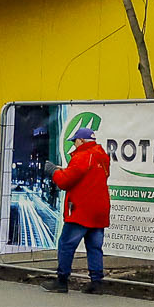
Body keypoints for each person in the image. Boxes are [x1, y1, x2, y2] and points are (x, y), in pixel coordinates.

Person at [46, 125, 110, 293]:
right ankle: (97, 283)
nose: (74, 144)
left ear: (82, 140)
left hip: (81, 210)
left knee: (66, 244)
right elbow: (86, 178)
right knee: (95, 247)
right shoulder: (102, 157)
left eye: (75, 141)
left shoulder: (82, 156)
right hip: (99, 211)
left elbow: (65, 181)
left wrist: (54, 172)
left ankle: (61, 281)